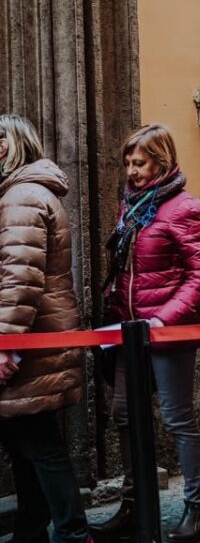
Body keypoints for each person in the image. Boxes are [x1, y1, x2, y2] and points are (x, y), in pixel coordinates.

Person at [89, 125, 200, 543]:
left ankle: (198, 509)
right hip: (129, 331)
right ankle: (134, 503)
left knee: (179, 420)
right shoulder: (133, 205)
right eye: (127, 162)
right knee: (125, 416)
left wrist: (163, 319)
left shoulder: (184, 208)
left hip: (165, 332)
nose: (132, 170)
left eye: (139, 163)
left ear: (161, 160)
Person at [0, 114, 90, 542]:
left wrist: (3, 346)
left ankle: (72, 532)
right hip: (30, 342)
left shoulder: (21, 197)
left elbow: (20, 281)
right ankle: (31, 529)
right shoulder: (24, 193)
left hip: (27, 346)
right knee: (26, 444)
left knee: (41, 445)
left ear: (5, 146)